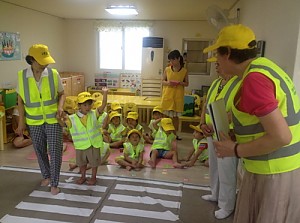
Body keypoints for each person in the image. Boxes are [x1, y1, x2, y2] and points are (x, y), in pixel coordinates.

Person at [204, 24, 300, 223]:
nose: (217, 61)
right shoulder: (266, 67)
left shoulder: (254, 80)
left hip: (273, 172)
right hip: (280, 169)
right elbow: (262, 123)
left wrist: (235, 149)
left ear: (228, 53)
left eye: (217, 55)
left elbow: (281, 136)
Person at [16, 44, 65, 195]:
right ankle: (46, 175)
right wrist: (21, 122)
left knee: (55, 151)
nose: (45, 64)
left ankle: (55, 182)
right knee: (39, 150)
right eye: (41, 61)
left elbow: (62, 94)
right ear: (31, 60)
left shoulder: (53, 74)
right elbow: (20, 101)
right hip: (34, 121)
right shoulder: (22, 76)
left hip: (53, 119)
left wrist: (60, 107)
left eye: (46, 61)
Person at [199, 57, 241, 219]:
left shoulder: (239, 83)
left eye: (218, 63)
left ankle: (227, 205)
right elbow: (206, 105)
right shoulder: (217, 83)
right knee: (214, 167)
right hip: (211, 131)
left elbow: (237, 111)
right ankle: (215, 193)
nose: (216, 67)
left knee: (227, 171)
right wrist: (203, 124)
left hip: (226, 135)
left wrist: (215, 124)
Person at [60, 89, 108, 185]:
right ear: (79, 106)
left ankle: (93, 177)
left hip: (93, 144)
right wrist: (57, 118)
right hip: (81, 145)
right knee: (82, 163)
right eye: (84, 105)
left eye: (89, 104)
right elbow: (63, 125)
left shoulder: (94, 113)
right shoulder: (72, 118)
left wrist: (105, 93)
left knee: (94, 163)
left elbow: (103, 105)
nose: (88, 107)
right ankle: (83, 176)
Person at [161, 50, 189, 140]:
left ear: (178, 59)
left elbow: (187, 83)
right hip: (167, 95)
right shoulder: (167, 69)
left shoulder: (184, 71)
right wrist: (169, 83)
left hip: (178, 96)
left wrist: (180, 83)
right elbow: (162, 81)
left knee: (176, 117)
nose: (171, 62)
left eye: (173, 60)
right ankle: (165, 133)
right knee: (166, 116)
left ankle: (174, 134)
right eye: (170, 61)